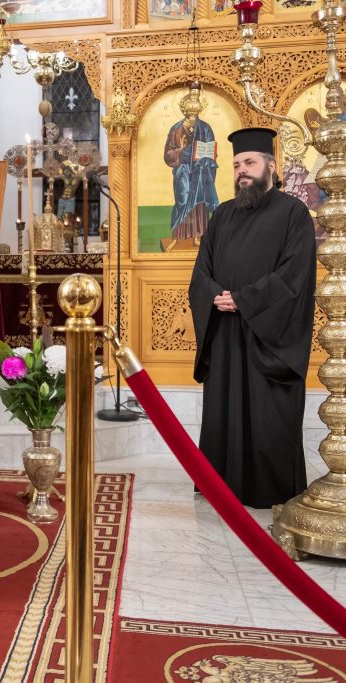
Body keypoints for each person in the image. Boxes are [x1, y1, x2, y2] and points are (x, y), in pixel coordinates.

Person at [189, 127, 316, 509]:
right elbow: (201, 272)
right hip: (226, 334)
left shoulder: (294, 214)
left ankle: (269, 490)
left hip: (268, 339)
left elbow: (294, 276)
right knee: (223, 413)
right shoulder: (222, 214)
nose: (242, 171)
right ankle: (220, 487)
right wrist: (215, 296)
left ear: (270, 166)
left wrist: (244, 300)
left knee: (268, 416)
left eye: (250, 163)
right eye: (237, 165)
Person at [164, 83, 219, 240]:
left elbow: (210, 150)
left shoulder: (206, 128)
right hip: (182, 170)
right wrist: (181, 152)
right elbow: (168, 155)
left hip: (201, 171)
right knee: (183, 197)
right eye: (190, 117)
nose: (192, 120)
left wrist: (204, 157)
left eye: (195, 117)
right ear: (184, 110)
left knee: (199, 202)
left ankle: (200, 235)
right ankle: (180, 236)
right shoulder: (176, 129)